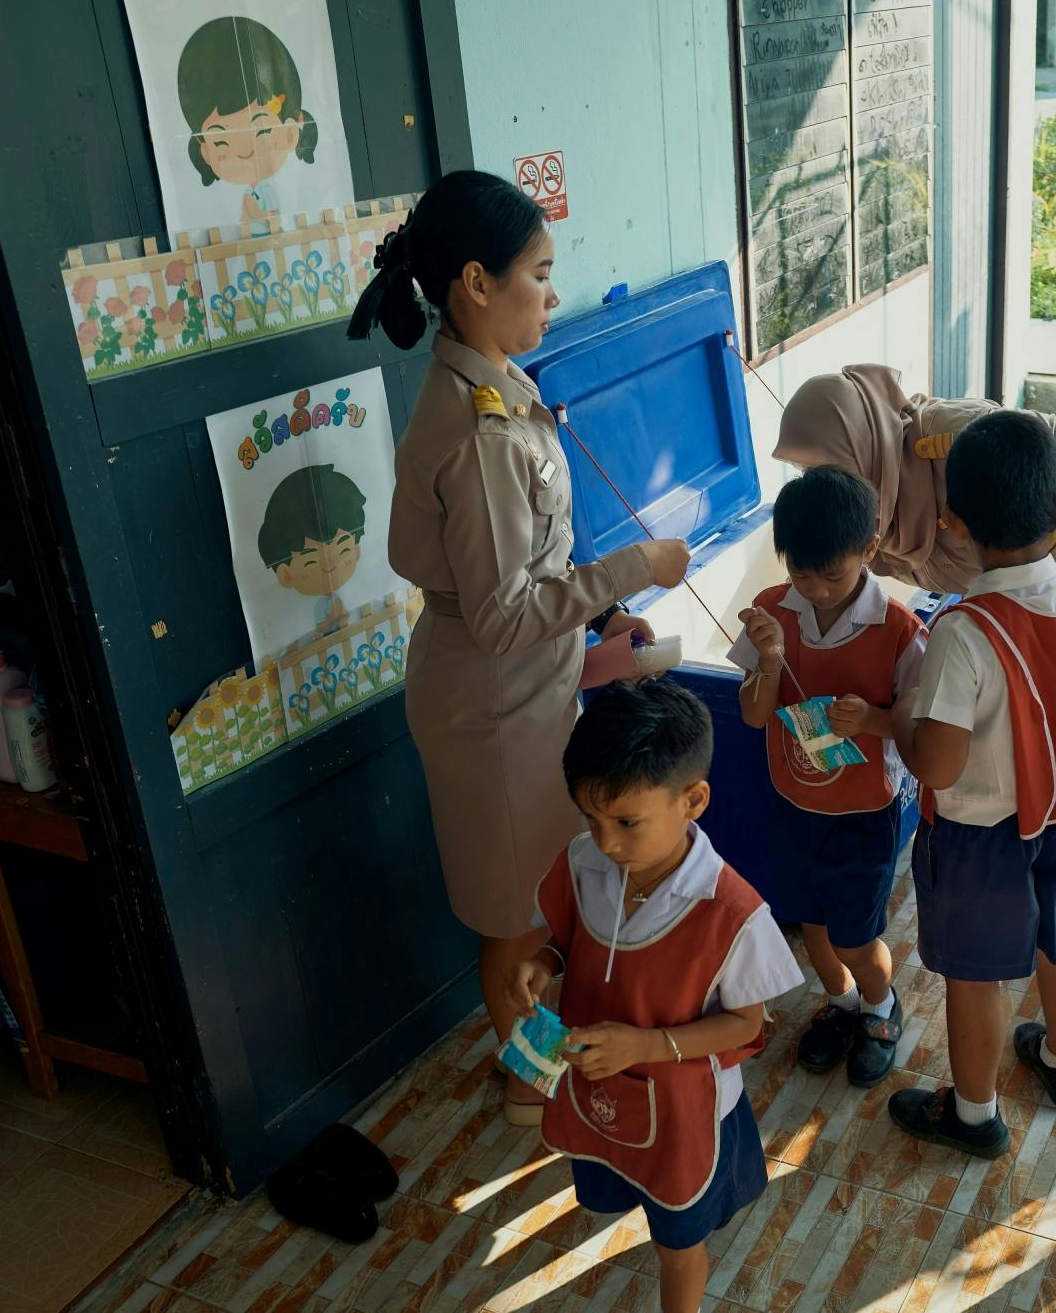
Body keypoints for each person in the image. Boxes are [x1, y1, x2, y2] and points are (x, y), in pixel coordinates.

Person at [351, 170, 690, 1126]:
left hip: (521, 689)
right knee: (518, 915)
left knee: (539, 895)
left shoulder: (492, 388)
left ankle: (537, 1060)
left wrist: (597, 624)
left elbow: (525, 574)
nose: (551, 293)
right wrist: (632, 569)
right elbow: (502, 613)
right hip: (492, 706)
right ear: (474, 283)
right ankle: (524, 1079)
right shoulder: (482, 434)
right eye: (539, 274)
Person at [883, 411, 1056, 1156]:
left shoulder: (963, 630)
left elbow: (936, 764)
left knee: (974, 978)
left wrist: (891, 720)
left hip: (976, 839)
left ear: (955, 526)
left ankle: (973, 1114)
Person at [514, 678, 802, 1313]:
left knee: (679, 1243)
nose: (608, 843)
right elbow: (569, 936)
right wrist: (544, 961)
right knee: (622, 1181)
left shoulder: (730, 911)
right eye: (590, 819)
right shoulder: (584, 861)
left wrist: (647, 1044)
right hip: (600, 1090)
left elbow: (744, 1026)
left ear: (693, 799)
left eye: (626, 823)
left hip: (684, 1113)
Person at [730, 465, 925, 1087]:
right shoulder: (770, 613)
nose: (813, 588)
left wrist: (872, 718)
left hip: (864, 813)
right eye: (798, 572)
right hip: (793, 803)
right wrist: (768, 659)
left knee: (856, 934)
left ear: (869, 549)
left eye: (831, 573)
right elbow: (754, 714)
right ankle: (840, 1003)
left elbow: (920, 732)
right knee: (811, 922)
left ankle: (879, 1005)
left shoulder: (899, 631)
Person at [772, 365, 1056, 595]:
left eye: (825, 465)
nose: (819, 483)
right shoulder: (867, 520)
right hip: (1023, 607)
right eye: (805, 472)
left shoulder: (948, 434)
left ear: (859, 441)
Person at [176, 16, 321, 230]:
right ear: (205, 152)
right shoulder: (252, 192)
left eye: (262, 130)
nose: (244, 150)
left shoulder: (272, 191)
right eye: (220, 142)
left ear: (291, 134)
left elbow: (271, 218)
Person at [256, 463, 367, 632]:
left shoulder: (362, 596)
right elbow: (321, 628)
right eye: (310, 561)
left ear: (356, 551)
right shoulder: (317, 609)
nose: (329, 565)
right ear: (285, 575)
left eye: (344, 549)